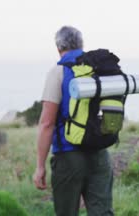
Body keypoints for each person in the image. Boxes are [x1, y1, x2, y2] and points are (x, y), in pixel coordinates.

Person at [33, 26, 114, 216]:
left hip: (68, 158)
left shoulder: (58, 71)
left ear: (58, 47)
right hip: (99, 154)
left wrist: (39, 167)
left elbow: (46, 123)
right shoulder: (99, 67)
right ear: (81, 44)